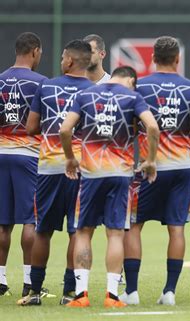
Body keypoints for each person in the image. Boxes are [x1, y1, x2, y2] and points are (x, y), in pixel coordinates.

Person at [59, 66, 159, 308]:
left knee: (83, 231)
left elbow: (64, 129)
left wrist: (70, 158)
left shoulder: (85, 95)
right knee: (115, 233)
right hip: (120, 174)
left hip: (91, 174)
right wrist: (151, 161)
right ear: (131, 81)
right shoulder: (132, 97)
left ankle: (81, 295)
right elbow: (153, 127)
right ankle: (112, 296)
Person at [119, 36, 190, 306]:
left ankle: (131, 292)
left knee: (133, 227)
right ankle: (170, 292)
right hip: (182, 166)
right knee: (176, 229)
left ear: (152, 58)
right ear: (178, 59)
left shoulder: (139, 87)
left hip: (147, 168)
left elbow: (131, 128)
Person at [17, 40, 94, 306]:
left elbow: (30, 127)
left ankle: (34, 292)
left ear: (70, 61)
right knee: (77, 232)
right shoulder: (95, 91)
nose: (61, 60)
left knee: (43, 231)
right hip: (82, 170)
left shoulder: (46, 86)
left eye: (63, 57)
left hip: (48, 168)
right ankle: (69, 293)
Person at [0, 32, 47, 297]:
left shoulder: (0, 81)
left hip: (1, 154)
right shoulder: (42, 83)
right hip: (29, 156)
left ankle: (0, 278)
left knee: (2, 222)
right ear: (35, 52)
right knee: (31, 219)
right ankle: (30, 282)